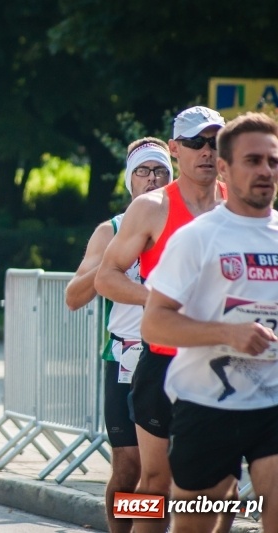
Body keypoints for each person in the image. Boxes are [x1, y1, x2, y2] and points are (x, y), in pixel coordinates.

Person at [141, 112, 278, 531]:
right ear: (225, 167)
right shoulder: (194, 234)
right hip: (203, 402)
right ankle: (124, 517)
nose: (266, 171)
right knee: (148, 482)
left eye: (273, 161)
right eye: (253, 161)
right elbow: (153, 323)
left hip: (270, 403)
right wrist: (227, 334)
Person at [95, 106, 227, 533]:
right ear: (177, 149)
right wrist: (154, 297)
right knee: (150, 479)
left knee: (221, 485)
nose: (207, 151)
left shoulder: (240, 204)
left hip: (222, 365)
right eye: (195, 142)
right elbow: (105, 277)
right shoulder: (150, 209)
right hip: (154, 359)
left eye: (215, 142)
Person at [65, 138, 172, 532]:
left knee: (164, 469)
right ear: (129, 180)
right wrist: (113, 262)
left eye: (160, 171)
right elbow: (73, 297)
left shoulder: (185, 226)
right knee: (129, 467)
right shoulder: (109, 231)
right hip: (124, 359)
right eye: (143, 171)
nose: (152, 179)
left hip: (174, 355)